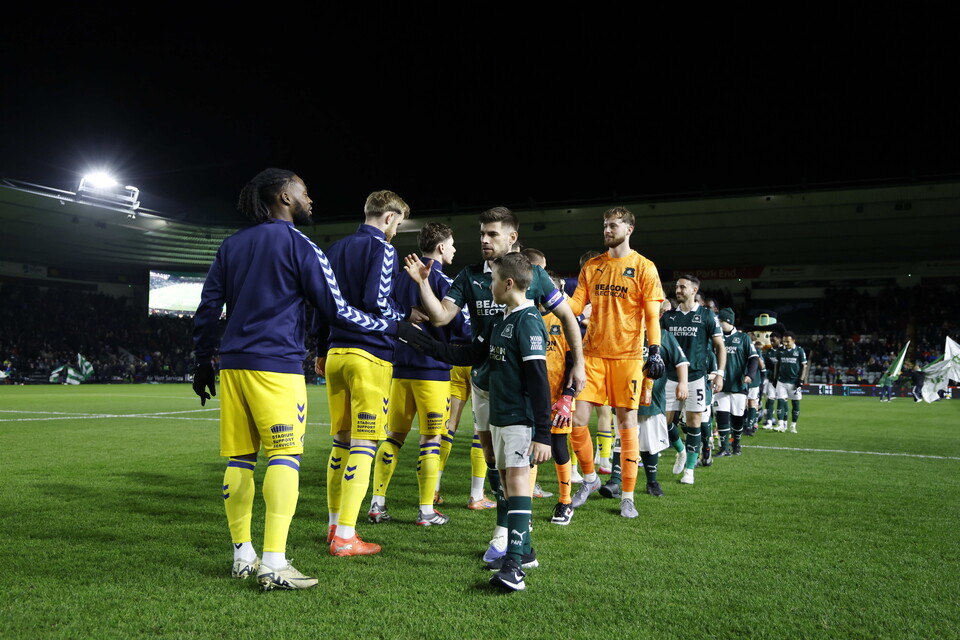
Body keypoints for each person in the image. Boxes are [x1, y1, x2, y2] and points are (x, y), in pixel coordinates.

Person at [192, 169, 402, 590]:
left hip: (233, 363)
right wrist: (387, 322)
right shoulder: (300, 244)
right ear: (285, 197)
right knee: (284, 456)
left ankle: (242, 555)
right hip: (277, 364)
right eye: (304, 192)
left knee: (241, 459)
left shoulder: (231, 245)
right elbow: (336, 308)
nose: (310, 199)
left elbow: (209, 305)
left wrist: (201, 361)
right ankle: (273, 562)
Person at [404, 206, 585, 561]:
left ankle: (509, 535)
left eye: (492, 234)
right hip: (483, 381)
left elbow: (567, 315)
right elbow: (441, 317)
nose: (484, 240)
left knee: (515, 464)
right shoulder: (471, 276)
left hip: (517, 385)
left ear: (512, 238)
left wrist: (577, 362)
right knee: (492, 462)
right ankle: (514, 532)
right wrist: (423, 284)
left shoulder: (531, 276)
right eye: (482, 233)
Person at [400, 253, 556, 592]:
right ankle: (525, 550)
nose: (490, 285)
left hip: (518, 416)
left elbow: (539, 380)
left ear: (509, 283)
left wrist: (542, 433)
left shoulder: (529, 320)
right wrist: (412, 336)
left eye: (495, 280)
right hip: (498, 414)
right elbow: (466, 355)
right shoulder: (501, 320)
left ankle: (514, 564)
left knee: (515, 484)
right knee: (503, 481)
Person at [318, 189, 413, 556]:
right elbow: (376, 300)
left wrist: (319, 346)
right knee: (364, 442)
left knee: (340, 442)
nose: (396, 233)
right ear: (389, 217)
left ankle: (332, 525)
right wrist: (401, 318)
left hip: (334, 354)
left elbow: (321, 303)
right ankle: (346, 536)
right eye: (398, 224)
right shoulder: (383, 249)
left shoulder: (335, 248)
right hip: (368, 355)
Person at [564, 207, 666, 518]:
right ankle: (591, 479)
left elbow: (651, 315)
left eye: (613, 226)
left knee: (627, 427)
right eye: (605, 225)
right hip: (592, 355)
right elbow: (575, 306)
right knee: (576, 421)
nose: (607, 230)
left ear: (629, 229)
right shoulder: (592, 266)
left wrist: (656, 350)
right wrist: (550, 298)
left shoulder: (644, 267)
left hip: (628, 358)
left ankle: (627, 496)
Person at [368, 223, 468, 526]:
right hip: (432, 372)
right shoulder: (442, 281)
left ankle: (377, 504)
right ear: (439, 247)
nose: (453, 249)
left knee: (393, 438)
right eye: (451, 244)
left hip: (399, 370)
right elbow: (460, 328)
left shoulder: (397, 279)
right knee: (431, 440)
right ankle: (426, 510)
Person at [660, 274, 726, 485]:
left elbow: (719, 346)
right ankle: (680, 450)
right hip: (670, 376)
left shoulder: (707, 316)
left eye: (682, 287)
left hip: (697, 376)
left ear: (694, 291)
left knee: (693, 423)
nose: (678, 290)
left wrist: (720, 373)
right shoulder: (668, 317)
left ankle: (690, 470)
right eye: (677, 287)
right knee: (664, 422)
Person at [713, 308, 759, 456]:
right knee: (722, 416)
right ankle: (724, 448)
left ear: (729, 321)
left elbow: (753, 358)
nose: (719, 324)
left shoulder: (743, 338)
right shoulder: (715, 337)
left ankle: (737, 444)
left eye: (722, 321)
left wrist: (750, 375)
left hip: (739, 384)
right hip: (721, 385)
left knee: (738, 417)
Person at [774, 331, 808, 432]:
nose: (785, 343)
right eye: (784, 341)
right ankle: (781, 425)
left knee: (795, 404)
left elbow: (804, 366)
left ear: (793, 340)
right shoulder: (780, 350)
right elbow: (777, 365)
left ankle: (793, 425)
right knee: (780, 401)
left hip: (794, 382)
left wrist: (801, 380)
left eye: (787, 342)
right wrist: (775, 378)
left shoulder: (799, 351)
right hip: (782, 381)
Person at [762, 331, 783, 429]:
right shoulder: (769, 351)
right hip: (771, 380)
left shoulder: (783, 350)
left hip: (782, 380)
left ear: (779, 339)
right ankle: (769, 422)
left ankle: (783, 423)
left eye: (774, 340)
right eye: (771, 340)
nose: (772, 342)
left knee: (782, 401)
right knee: (770, 400)